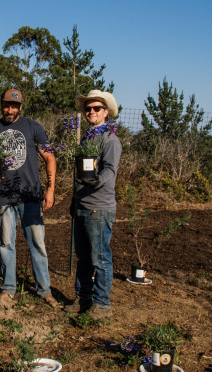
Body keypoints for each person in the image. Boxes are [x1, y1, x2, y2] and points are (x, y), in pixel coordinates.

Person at [0, 88, 59, 308]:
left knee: (37, 243)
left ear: (21, 107)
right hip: (3, 197)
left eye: (14, 105)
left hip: (30, 196)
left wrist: (51, 189)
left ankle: (44, 290)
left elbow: (49, 157)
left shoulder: (33, 127)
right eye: (6, 105)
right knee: (6, 244)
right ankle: (8, 289)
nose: (10, 109)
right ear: (1, 105)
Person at [65, 90, 121, 318]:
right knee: (84, 256)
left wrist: (96, 181)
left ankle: (101, 304)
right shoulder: (87, 138)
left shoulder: (110, 139)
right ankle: (83, 298)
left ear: (106, 112)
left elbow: (110, 171)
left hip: (99, 207)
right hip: (82, 205)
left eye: (96, 108)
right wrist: (75, 199)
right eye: (88, 108)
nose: (91, 112)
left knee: (100, 257)